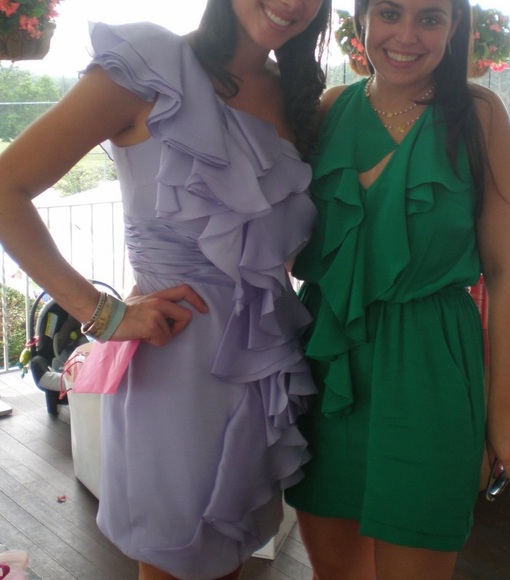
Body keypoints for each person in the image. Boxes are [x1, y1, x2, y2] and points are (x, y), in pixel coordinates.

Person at [0, 1, 332, 578]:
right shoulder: (152, 63)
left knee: (229, 558)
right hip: (174, 366)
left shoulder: (296, 97)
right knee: (176, 557)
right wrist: (100, 313)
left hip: (264, 369)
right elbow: (6, 187)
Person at [284, 0, 510, 578]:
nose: (406, 35)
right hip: (328, 363)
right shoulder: (328, 110)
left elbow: (504, 272)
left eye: (430, 18)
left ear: (453, 27)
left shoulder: (479, 115)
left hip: (432, 367)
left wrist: (503, 406)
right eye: (391, 13)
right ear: (362, 21)